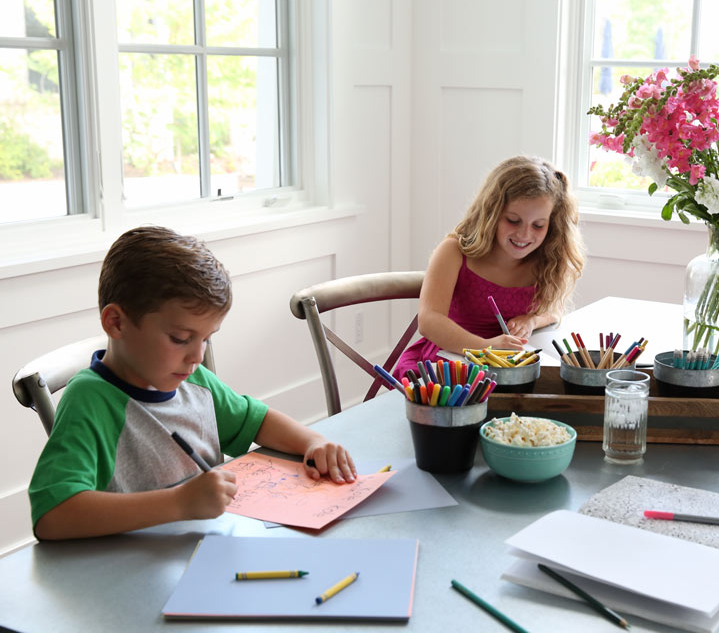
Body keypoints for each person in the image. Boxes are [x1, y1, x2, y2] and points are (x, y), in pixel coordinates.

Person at [29, 226, 358, 540]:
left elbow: (255, 420)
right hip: (127, 579)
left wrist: (313, 441)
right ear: (116, 323)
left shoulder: (195, 381)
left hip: (206, 558)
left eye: (206, 340)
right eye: (180, 338)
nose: (196, 356)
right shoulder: (91, 400)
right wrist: (178, 503)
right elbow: (52, 515)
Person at [395, 155, 585, 377]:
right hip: (448, 363)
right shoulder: (455, 251)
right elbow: (429, 321)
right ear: (491, 212)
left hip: (506, 368)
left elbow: (554, 308)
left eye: (538, 225)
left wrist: (531, 320)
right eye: (513, 221)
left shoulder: (547, 257)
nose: (525, 234)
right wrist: (486, 348)